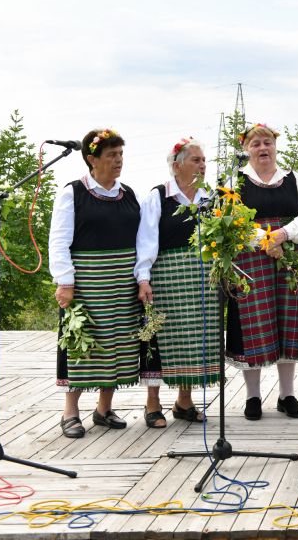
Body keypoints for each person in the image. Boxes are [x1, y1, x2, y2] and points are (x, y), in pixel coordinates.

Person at [49, 129, 141, 437]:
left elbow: (141, 240)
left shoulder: (129, 194)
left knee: (117, 343)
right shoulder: (72, 193)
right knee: (82, 343)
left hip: (122, 284)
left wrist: (141, 277)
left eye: (120, 154)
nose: (118, 160)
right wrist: (64, 281)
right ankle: (70, 412)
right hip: (87, 283)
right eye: (111, 155)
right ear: (91, 160)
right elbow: (59, 241)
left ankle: (104, 409)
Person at [226, 123, 298, 421]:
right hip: (250, 259)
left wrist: (283, 235)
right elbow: (230, 219)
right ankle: (253, 397)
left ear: (275, 146)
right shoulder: (235, 180)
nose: (262, 148)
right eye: (255, 144)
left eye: (267, 143)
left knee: (286, 322)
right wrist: (267, 240)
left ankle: (286, 394)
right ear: (246, 149)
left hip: (288, 257)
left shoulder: (292, 178)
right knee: (255, 323)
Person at [134, 137, 219, 428]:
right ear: (177, 165)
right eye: (196, 160)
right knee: (159, 336)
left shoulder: (212, 197)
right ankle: (153, 403)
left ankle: (185, 401)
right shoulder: (158, 197)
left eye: (204, 160)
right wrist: (143, 278)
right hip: (166, 278)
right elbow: (146, 242)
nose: (203, 165)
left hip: (203, 279)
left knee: (196, 337)